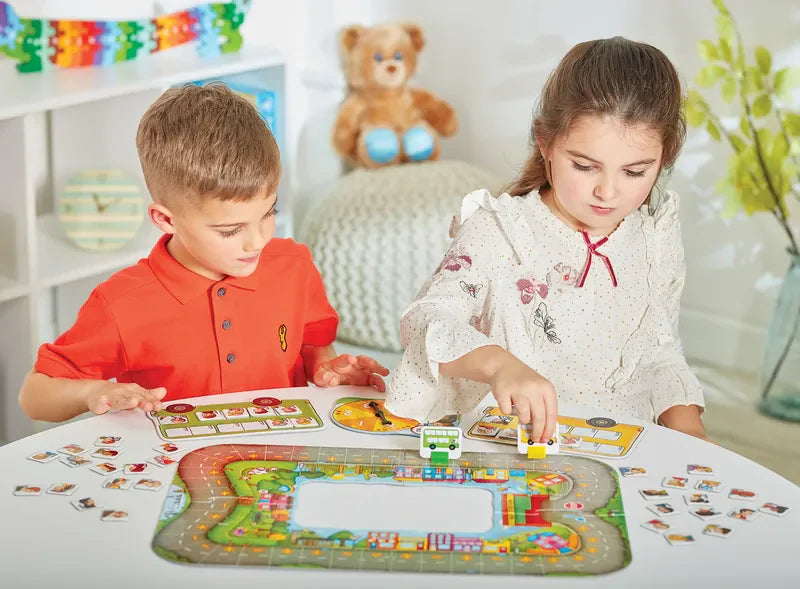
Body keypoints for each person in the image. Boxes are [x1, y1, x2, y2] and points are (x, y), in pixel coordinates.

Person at [385, 37, 706, 443]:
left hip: (627, 450)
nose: (607, 192)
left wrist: (694, 438)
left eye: (635, 172)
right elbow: (424, 320)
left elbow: (660, 350)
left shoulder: (654, 240)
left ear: (665, 158)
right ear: (545, 142)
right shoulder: (501, 229)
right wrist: (499, 365)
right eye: (585, 166)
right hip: (511, 450)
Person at [19, 84, 388, 422]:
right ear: (165, 219)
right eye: (230, 230)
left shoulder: (294, 266)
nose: (257, 241)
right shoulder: (121, 303)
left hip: (282, 468)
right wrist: (91, 391)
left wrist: (327, 371)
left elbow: (313, 348)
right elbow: (34, 395)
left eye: (268, 214)